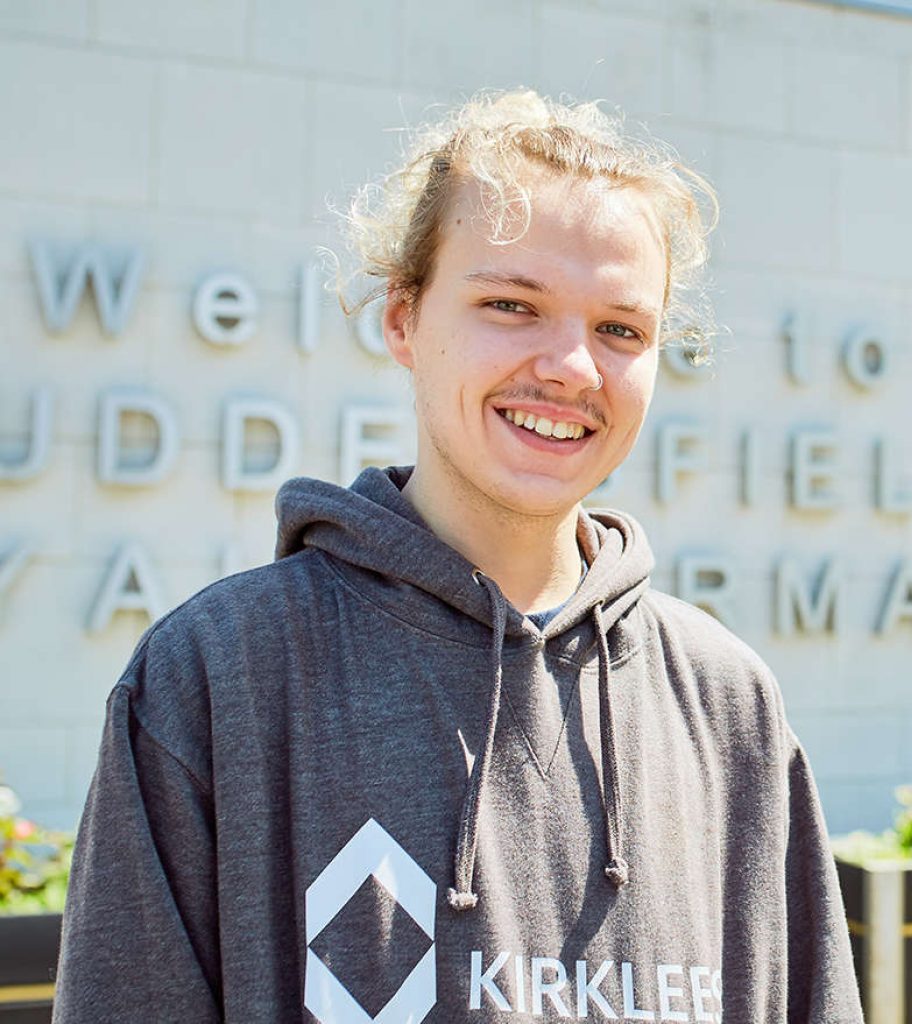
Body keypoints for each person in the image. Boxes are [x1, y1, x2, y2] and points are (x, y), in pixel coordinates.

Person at [54, 90, 864, 1023]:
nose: (572, 366)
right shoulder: (219, 675)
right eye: (511, 305)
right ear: (404, 320)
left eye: (621, 329)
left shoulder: (729, 704)